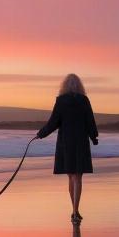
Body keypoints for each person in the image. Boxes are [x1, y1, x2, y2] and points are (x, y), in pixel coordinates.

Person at [36, 73, 98, 223]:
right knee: (78, 177)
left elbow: (53, 123)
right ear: (79, 86)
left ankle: (74, 210)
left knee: (71, 176)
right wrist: (93, 136)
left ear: (63, 86)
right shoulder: (84, 100)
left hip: (66, 143)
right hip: (81, 142)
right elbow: (90, 120)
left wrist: (40, 134)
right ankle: (75, 211)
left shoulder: (61, 101)